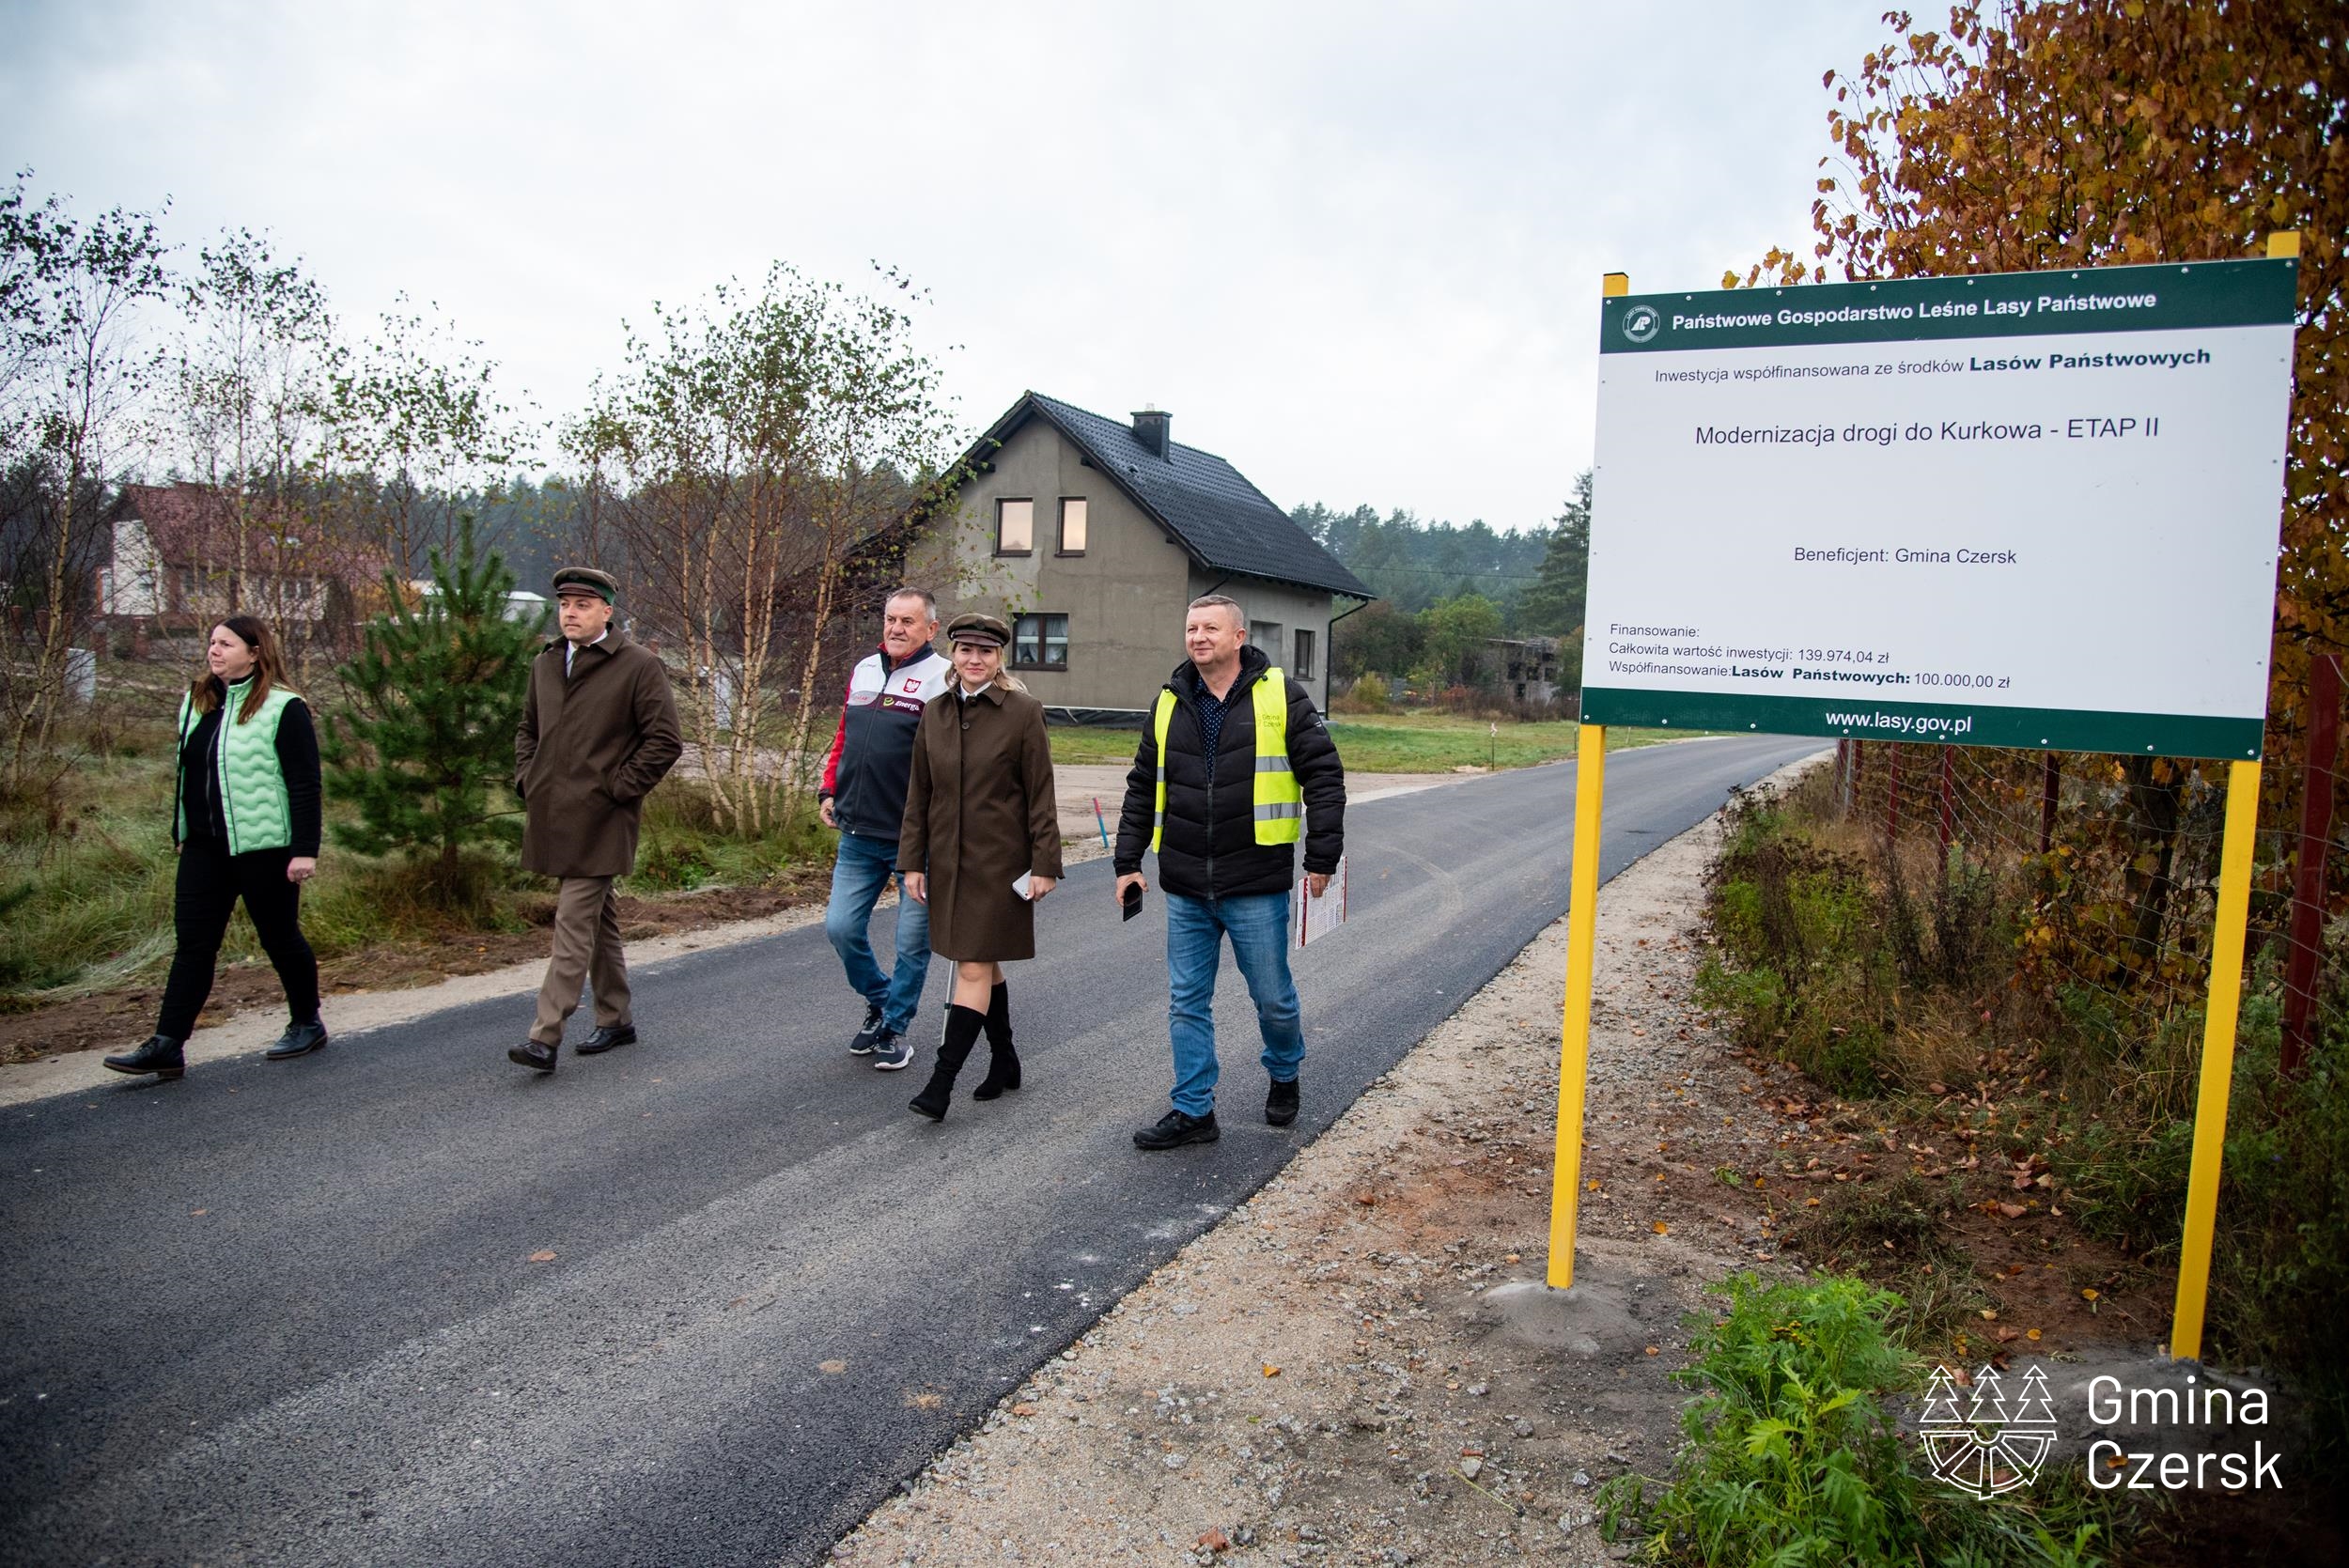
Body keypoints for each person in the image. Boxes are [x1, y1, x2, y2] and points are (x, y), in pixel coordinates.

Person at [1113, 594, 1346, 1148]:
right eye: (1191, 627)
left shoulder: (1281, 696)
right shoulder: (1169, 702)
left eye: (1210, 628)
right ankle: (1194, 1110)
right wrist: (1127, 861)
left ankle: (1284, 1073)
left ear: (1238, 637)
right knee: (1186, 1000)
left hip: (1256, 882)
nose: (1198, 637)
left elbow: (1325, 778)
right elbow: (1142, 785)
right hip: (1187, 882)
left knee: (1272, 996)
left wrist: (1322, 858)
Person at [105, 617, 329, 1080]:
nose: (214, 650)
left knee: (280, 938)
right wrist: (183, 827)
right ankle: (168, 1044)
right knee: (193, 945)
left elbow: (305, 783)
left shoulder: (283, 707)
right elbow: (188, 773)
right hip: (206, 848)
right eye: (211, 642)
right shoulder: (196, 702)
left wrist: (305, 850)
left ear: (254, 651)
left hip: (265, 847)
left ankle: (307, 1022)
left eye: (226, 643)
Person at [508, 567, 682, 1072]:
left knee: (572, 921)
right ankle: (615, 1017)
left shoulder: (637, 665)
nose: (571, 612)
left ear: (607, 611)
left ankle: (545, 1035)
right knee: (597, 919)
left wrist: (617, 790)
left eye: (583, 604)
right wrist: (528, 778)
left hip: (603, 818)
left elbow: (664, 741)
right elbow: (528, 729)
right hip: (552, 813)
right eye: (565, 603)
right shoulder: (545, 664)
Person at [896, 612, 1062, 1120]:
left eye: (985, 652)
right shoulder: (935, 712)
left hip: (1000, 865)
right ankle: (1006, 1059)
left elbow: (1040, 792)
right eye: (966, 650)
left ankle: (940, 1085)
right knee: (981, 961)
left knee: (969, 963)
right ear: (953, 654)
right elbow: (919, 793)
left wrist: (1045, 863)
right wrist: (912, 862)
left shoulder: (1022, 711)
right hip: (947, 862)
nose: (974, 659)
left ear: (998, 659)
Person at [818, 587, 952, 1070]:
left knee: (911, 943)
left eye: (908, 622)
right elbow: (844, 737)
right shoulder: (864, 670)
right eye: (891, 619)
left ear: (930, 629)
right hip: (857, 831)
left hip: (915, 840)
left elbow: (949, 760)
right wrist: (828, 788)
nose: (896, 628)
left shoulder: (941, 678)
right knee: (840, 928)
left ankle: (894, 1027)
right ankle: (879, 999)